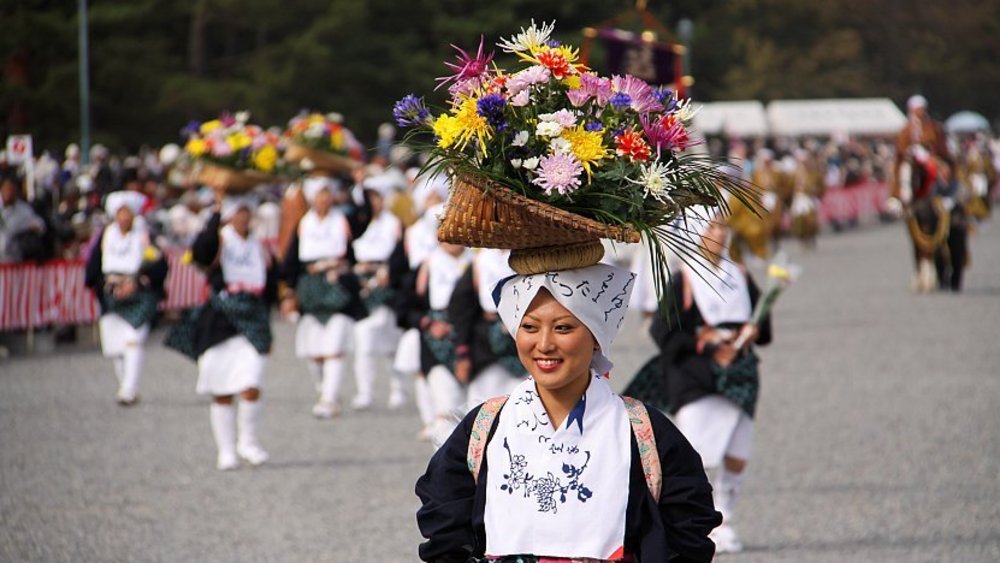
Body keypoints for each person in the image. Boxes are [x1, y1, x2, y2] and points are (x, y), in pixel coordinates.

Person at [416, 262, 721, 562]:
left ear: (597, 337)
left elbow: (687, 528)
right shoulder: (485, 427)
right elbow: (445, 527)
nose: (544, 344)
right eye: (529, 327)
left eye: (563, 327)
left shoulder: (644, 432)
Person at [647, 211, 772, 554]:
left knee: (738, 453)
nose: (719, 233)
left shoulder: (739, 275)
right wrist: (705, 343)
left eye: (723, 226)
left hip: (740, 373)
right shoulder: (684, 279)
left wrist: (752, 330)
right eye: (712, 226)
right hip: (696, 376)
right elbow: (663, 333)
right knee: (695, 456)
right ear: (697, 231)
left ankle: (726, 519)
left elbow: (763, 329)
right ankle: (691, 525)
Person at [165, 193, 276, 470]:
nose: (243, 217)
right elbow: (201, 251)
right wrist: (215, 214)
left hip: (253, 316)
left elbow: (272, 281)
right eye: (238, 211)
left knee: (252, 382)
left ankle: (248, 441)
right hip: (220, 318)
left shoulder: (259, 245)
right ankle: (226, 450)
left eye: (246, 212)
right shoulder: (220, 239)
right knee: (221, 387)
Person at [280, 176, 366, 418]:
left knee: (335, 346)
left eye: (328, 193)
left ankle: (329, 399)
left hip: (337, 285)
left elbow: (365, 217)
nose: (324, 199)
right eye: (320, 193)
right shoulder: (304, 224)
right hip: (310, 287)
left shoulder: (344, 219)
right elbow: (291, 261)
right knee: (314, 351)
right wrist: (289, 292)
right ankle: (326, 389)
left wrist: (359, 186)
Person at [84, 191, 168, 405]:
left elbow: (160, 266)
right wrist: (106, 286)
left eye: (128, 212)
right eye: (121, 213)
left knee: (133, 340)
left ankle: (129, 388)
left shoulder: (145, 235)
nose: (124, 217)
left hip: (139, 294)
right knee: (116, 348)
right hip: (111, 294)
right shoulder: (106, 236)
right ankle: (126, 384)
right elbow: (93, 269)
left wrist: (137, 282)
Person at [350, 174, 407, 410]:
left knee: (392, 341)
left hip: (386, 284)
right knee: (363, 339)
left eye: (377, 197)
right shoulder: (359, 223)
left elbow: (399, 256)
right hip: (362, 284)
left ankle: (398, 389)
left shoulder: (394, 223)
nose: (374, 202)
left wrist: (387, 272)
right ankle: (365, 391)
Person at [0, 174, 46, 263]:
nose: (9, 193)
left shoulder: (23, 210)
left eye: (12, 190)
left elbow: (40, 225)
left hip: (13, 258)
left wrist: (33, 227)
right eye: (7, 189)